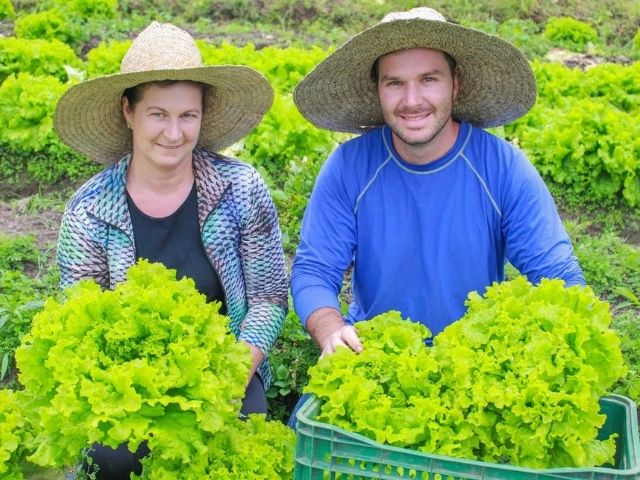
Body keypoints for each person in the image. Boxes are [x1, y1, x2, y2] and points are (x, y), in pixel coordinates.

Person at [288, 7, 585, 424]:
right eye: (395, 83)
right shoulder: (349, 167)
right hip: (373, 359)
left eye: (429, 79)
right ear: (377, 90)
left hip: (476, 372)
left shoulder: (501, 166)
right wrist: (329, 330)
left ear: (455, 85)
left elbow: (558, 275)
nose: (412, 101)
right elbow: (314, 271)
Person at [54, 22, 288, 478]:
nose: (174, 133)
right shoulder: (89, 210)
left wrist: (238, 364)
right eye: (158, 114)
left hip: (226, 368)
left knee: (236, 444)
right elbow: (78, 321)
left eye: (188, 116)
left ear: (203, 116)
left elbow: (269, 298)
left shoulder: (240, 188)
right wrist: (132, 385)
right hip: (130, 384)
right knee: (115, 459)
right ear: (129, 111)